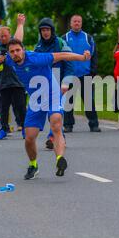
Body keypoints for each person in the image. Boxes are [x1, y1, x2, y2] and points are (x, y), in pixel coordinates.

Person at [4, 38, 91, 180]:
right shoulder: (9, 60)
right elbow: (16, 38)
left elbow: (62, 55)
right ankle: (33, 165)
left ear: (23, 50)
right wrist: (20, 24)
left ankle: (60, 159)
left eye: (18, 50)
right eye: (12, 51)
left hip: (52, 96)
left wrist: (82, 57)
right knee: (29, 138)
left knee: (56, 124)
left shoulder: (37, 58)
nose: (15, 53)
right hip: (35, 100)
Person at [34, 18, 73, 149]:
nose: (45, 32)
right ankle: (58, 136)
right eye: (43, 30)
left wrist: (66, 82)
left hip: (60, 82)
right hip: (45, 83)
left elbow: (70, 65)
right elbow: (35, 66)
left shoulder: (61, 43)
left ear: (52, 30)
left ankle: (53, 137)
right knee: (50, 112)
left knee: (56, 112)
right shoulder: (38, 47)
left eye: (48, 30)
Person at [63, 14, 101, 133]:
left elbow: (94, 55)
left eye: (79, 21)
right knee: (68, 102)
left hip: (86, 74)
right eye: (74, 21)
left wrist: (93, 71)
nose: (77, 23)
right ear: (71, 23)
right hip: (69, 74)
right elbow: (60, 56)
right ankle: (68, 125)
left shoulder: (88, 37)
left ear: (81, 23)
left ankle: (94, 124)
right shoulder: (64, 38)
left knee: (89, 100)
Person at [0, 24, 26, 141]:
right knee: (3, 109)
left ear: (10, 35)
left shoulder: (15, 47)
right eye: (1, 36)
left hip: (17, 82)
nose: (3, 38)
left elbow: (25, 58)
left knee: (21, 107)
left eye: (5, 36)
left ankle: (25, 128)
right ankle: (3, 129)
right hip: (3, 84)